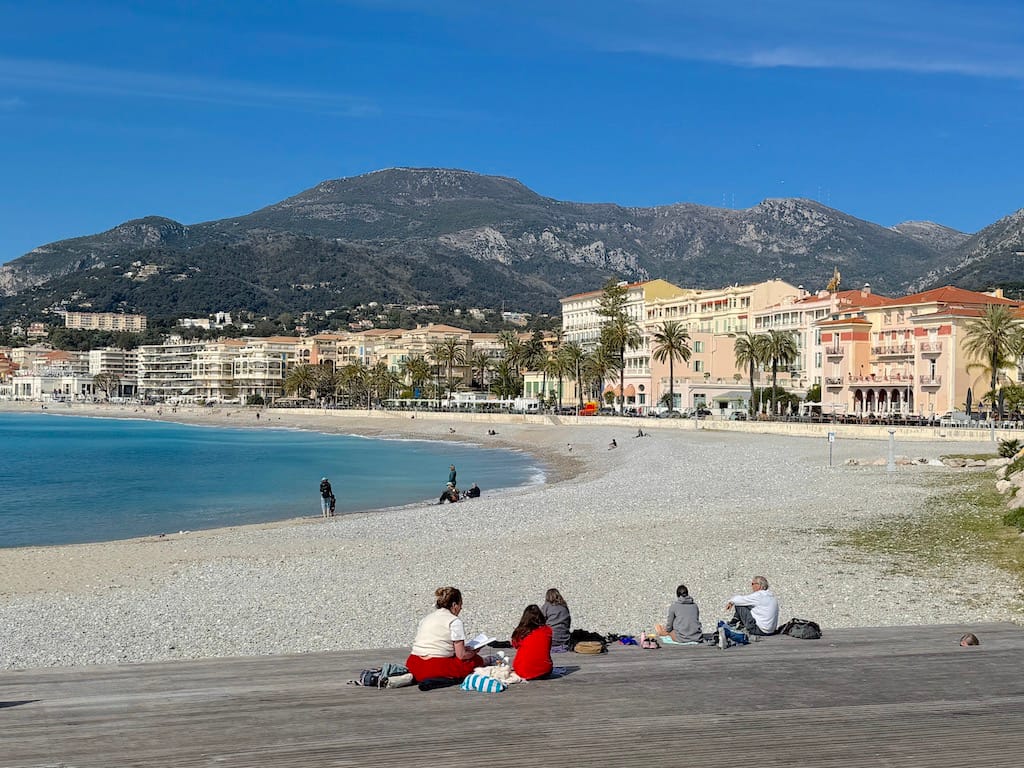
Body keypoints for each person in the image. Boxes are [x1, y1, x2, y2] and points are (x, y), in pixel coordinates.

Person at [405, 586, 486, 682]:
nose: (461, 608)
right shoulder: (454, 621)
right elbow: (461, 655)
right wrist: (474, 652)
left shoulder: (426, 618)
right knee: (476, 661)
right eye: (460, 605)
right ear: (454, 605)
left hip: (414, 664)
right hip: (434, 667)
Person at [511, 604, 553, 680]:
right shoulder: (547, 630)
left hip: (522, 670)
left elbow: (515, 645)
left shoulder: (521, 631)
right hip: (544, 670)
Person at [541, 588, 572, 653]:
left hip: (550, 639)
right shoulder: (564, 606)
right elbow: (568, 622)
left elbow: (541, 621)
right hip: (565, 638)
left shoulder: (546, 606)